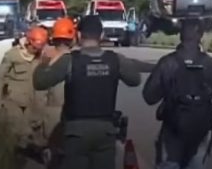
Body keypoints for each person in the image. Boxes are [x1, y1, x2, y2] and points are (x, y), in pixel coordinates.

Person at [33, 15, 142, 169]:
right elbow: (135, 80)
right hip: (105, 131)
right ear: (102, 35)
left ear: (78, 35)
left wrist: (43, 62)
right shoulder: (115, 60)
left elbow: (40, 83)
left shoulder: (70, 61)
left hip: (76, 133)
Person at [142, 18, 212, 169]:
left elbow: (149, 96)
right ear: (201, 35)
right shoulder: (211, 64)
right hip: (201, 131)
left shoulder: (168, 62)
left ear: (180, 35)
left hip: (172, 131)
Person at [0, 26, 50, 153]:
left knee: (35, 131)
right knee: (19, 132)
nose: (36, 51)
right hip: (14, 101)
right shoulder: (12, 55)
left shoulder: (42, 56)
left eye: (39, 49)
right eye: (34, 48)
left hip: (33, 101)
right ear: (28, 42)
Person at [43, 17, 78, 167]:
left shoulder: (46, 55)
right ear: (73, 38)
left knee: (54, 157)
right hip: (72, 115)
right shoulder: (76, 59)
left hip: (50, 113)